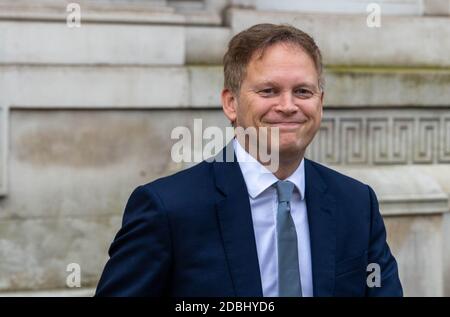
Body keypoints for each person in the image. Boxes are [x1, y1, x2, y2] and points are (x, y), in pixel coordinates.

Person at [95, 23, 402, 297]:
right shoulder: (167, 209)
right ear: (231, 103)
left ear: (320, 102)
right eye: (269, 91)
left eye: (303, 91)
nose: (288, 105)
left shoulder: (356, 203)